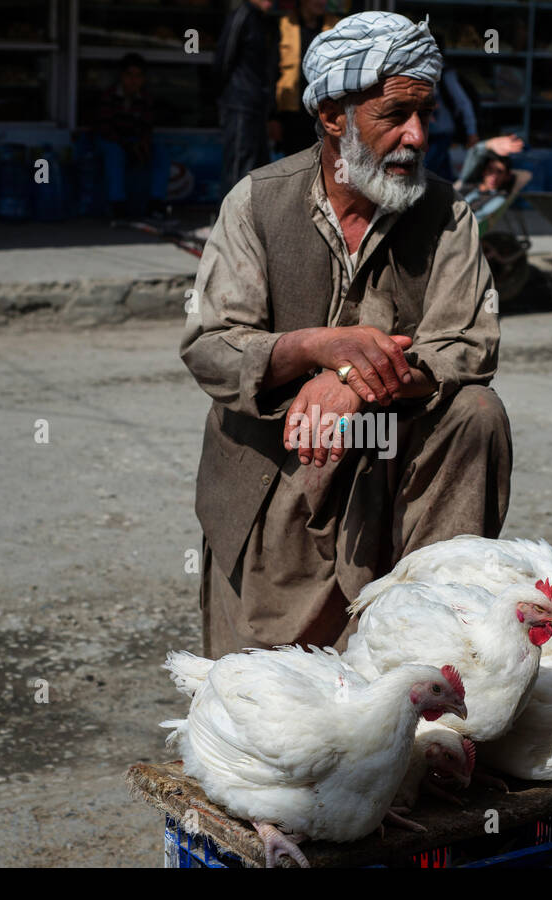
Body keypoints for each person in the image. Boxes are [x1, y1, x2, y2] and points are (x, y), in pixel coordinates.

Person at [180, 11, 512, 658]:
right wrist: (311, 348)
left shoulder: (446, 217)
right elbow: (211, 346)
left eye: (425, 113)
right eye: (395, 115)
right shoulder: (256, 203)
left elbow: (469, 343)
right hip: (282, 469)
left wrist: (355, 385)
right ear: (334, 115)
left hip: (394, 468)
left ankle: (431, 626)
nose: (416, 136)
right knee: (269, 719)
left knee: (476, 412)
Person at [215, 0, 278, 198]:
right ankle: (227, 223)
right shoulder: (242, 16)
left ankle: (247, 222)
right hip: (240, 103)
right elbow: (223, 59)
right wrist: (228, 96)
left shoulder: (262, 20)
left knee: (257, 166)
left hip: (257, 104)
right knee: (238, 165)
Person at [271, 0, 341, 156]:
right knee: (293, 162)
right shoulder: (284, 26)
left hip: (325, 110)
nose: (322, 2)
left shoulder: (335, 27)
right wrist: (272, 117)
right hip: (292, 113)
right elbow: (272, 72)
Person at [95, 53, 159, 220]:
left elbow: (147, 127)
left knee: (160, 153)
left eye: (138, 76)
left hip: (133, 141)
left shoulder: (145, 99)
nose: (133, 81)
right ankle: (117, 206)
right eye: (129, 75)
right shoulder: (108, 96)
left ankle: (156, 204)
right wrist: (127, 146)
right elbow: (105, 128)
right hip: (110, 140)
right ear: (122, 76)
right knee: (114, 154)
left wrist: (143, 143)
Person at [424, 31, 479, 180]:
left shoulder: (445, 73)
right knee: (442, 171)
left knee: (427, 171)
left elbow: (463, 103)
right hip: (430, 132)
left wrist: (471, 131)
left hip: (441, 131)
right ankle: (450, 198)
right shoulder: (422, 71)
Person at [457, 134, 524, 222]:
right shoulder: (468, 182)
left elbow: (479, 218)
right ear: (484, 171)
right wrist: (488, 144)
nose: (494, 176)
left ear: (506, 176)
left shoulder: (498, 198)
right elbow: (473, 155)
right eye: (490, 170)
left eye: (499, 172)